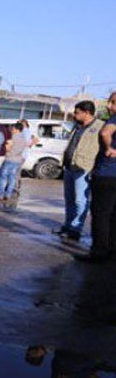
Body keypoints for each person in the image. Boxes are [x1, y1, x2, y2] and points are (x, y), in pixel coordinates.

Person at [55, 101, 104, 242]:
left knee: (80, 200)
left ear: (87, 113)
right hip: (70, 166)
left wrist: (95, 168)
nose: (74, 115)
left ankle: (76, 229)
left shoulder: (100, 126)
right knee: (69, 199)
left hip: (84, 167)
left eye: (77, 112)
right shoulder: (77, 126)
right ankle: (68, 225)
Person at [76, 92, 116, 263]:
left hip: (106, 174)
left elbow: (105, 133)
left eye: (113, 102)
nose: (109, 106)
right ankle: (110, 249)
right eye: (109, 102)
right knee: (113, 215)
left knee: (101, 214)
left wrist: (109, 148)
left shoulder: (113, 120)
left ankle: (99, 251)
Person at [0, 123, 26, 201]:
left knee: (3, 177)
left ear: (16, 129)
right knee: (12, 177)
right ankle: (8, 194)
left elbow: (8, 148)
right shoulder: (23, 138)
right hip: (18, 160)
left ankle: (0, 194)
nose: (11, 130)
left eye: (12, 129)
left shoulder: (12, 138)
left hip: (9, 159)